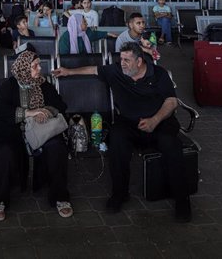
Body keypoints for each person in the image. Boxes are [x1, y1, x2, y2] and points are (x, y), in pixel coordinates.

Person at [52, 42, 191, 222]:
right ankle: (120, 193)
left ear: (139, 61)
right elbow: (94, 70)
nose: (122, 63)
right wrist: (69, 72)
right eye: (121, 59)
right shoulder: (116, 71)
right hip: (129, 123)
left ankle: (182, 199)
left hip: (160, 122)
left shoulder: (158, 74)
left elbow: (172, 102)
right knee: (117, 141)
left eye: (127, 60)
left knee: (171, 145)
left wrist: (154, 120)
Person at [0, 50, 72, 222]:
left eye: (39, 65)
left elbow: (60, 105)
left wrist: (46, 112)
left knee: (57, 148)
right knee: (4, 153)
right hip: (13, 131)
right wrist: (28, 113)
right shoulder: (9, 86)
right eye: (35, 66)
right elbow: (0, 111)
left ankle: (60, 196)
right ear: (24, 68)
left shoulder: (44, 85)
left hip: (41, 131)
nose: (39, 69)